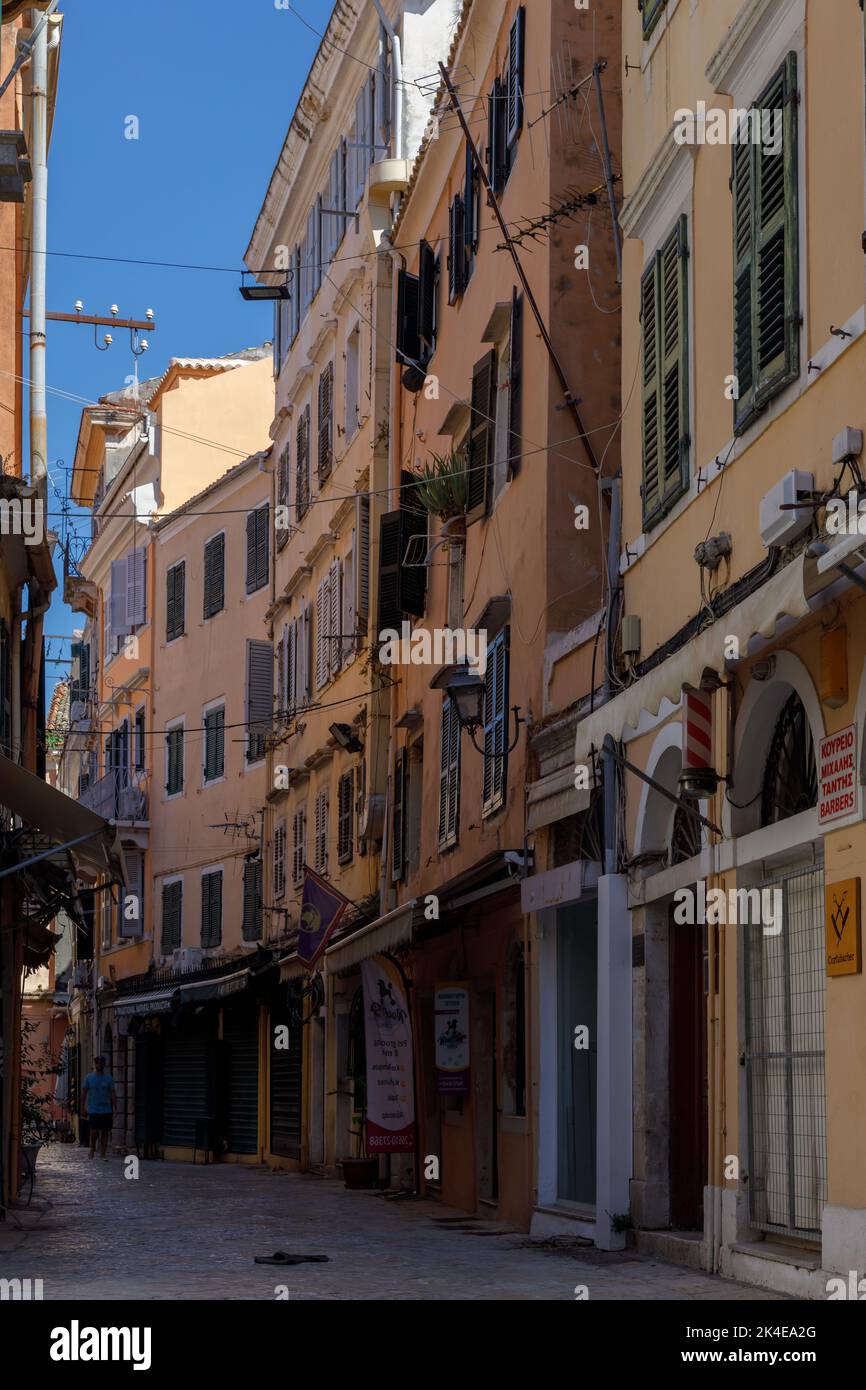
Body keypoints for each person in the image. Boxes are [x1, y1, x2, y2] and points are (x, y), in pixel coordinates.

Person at [81, 1056, 116, 1161]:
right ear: (95, 1064)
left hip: (106, 1109)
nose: (99, 1065)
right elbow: (84, 1092)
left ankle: (103, 1153)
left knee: (105, 1132)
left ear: (104, 1065)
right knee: (94, 1131)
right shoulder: (89, 1077)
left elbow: (113, 1093)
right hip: (93, 1109)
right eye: (97, 1063)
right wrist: (83, 1107)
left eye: (101, 1063)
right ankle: (92, 1148)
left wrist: (115, 1107)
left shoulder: (109, 1078)